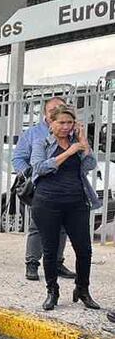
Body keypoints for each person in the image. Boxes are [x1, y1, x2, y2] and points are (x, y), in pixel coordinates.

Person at [31, 104, 101, 311]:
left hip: (76, 202)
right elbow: (39, 168)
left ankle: (82, 289)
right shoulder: (41, 143)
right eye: (61, 122)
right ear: (51, 123)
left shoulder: (76, 143)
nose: (65, 127)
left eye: (70, 123)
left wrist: (83, 141)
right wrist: (68, 152)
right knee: (50, 250)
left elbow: (89, 166)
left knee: (84, 250)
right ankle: (52, 291)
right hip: (47, 202)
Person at [12, 97, 74, 282]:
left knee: (62, 227)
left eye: (61, 108)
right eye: (52, 109)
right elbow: (18, 158)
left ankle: (57, 262)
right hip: (42, 187)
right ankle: (32, 263)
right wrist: (31, 175)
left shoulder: (71, 133)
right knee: (37, 226)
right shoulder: (33, 134)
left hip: (66, 189)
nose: (57, 111)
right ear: (45, 113)